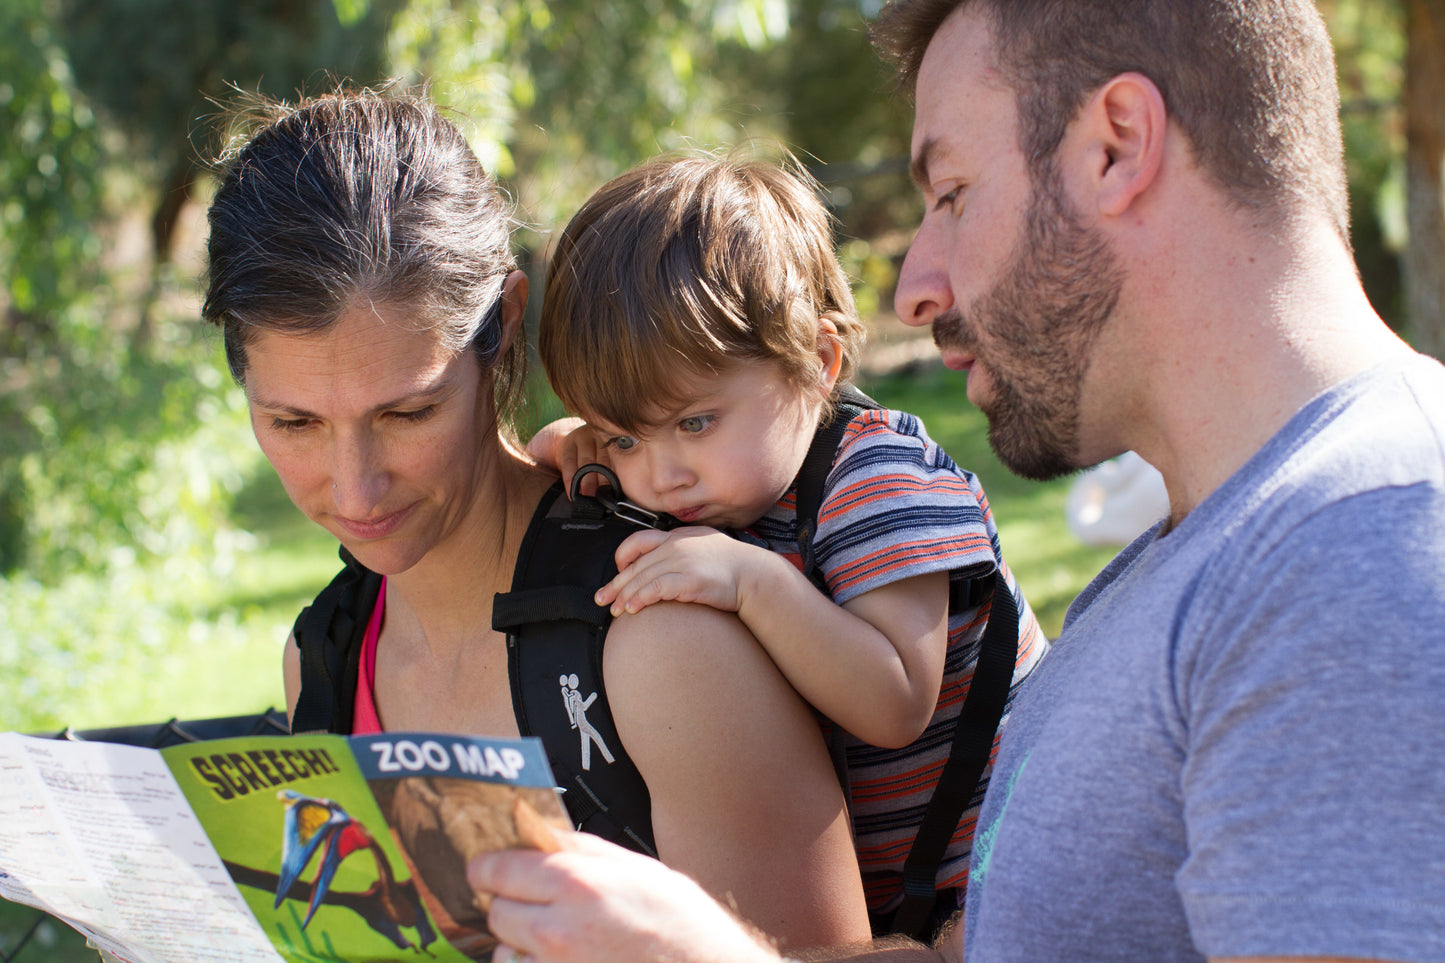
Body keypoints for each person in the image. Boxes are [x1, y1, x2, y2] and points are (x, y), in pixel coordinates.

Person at [467, 1, 1445, 961]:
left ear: (1115, 145)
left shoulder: (1357, 551)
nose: (911, 287)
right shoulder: (1215, 561)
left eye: (950, 193)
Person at [200, 87, 870, 952]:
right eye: (294, 423)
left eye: (408, 413)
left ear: (504, 325)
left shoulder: (658, 643)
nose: (356, 491)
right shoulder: (322, 657)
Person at [528, 151, 1047, 933]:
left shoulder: (875, 479)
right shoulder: (720, 481)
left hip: (1008, 877)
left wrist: (753, 584)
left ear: (817, 361)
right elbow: (548, 448)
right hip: (892, 897)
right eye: (624, 437)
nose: (661, 476)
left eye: (694, 422)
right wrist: (583, 442)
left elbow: (896, 698)